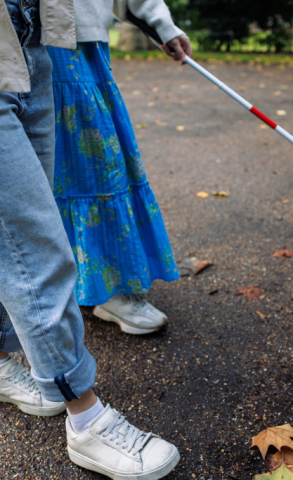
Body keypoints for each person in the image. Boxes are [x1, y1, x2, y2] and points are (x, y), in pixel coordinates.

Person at [0, 0, 190, 477]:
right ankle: (85, 418)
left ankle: (1, 358)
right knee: (35, 248)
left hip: (36, 45)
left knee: (14, 239)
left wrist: (159, 23)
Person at [47, 0, 192, 336]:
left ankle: (103, 281)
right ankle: (90, 281)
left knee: (96, 164)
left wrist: (162, 24)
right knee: (58, 167)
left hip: (78, 40)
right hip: (24, 42)